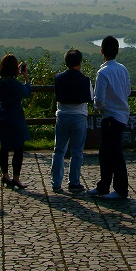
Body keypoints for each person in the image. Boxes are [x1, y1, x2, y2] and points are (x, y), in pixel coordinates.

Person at [88, 35, 131, 200]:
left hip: (110, 117)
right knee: (107, 152)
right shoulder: (123, 69)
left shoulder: (103, 72)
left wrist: (96, 108)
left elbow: (99, 99)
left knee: (113, 154)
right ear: (117, 51)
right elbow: (127, 91)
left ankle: (120, 190)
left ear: (102, 52)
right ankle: (104, 186)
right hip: (122, 115)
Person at [52, 48, 92, 194]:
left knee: (59, 150)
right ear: (79, 63)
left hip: (62, 115)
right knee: (77, 151)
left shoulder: (58, 78)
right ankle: (74, 182)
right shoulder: (85, 80)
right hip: (79, 116)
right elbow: (90, 98)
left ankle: (56, 183)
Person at [0, 53, 32, 189]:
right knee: (18, 148)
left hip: (2, 116)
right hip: (15, 117)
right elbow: (26, 92)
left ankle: (5, 175)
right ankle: (16, 178)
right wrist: (26, 77)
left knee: (4, 147)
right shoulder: (15, 84)